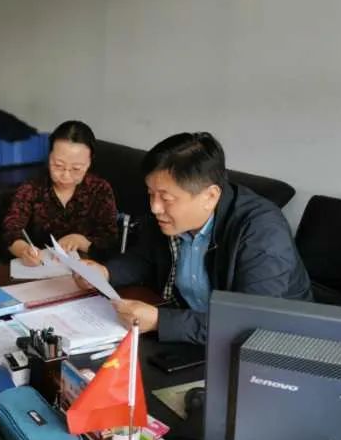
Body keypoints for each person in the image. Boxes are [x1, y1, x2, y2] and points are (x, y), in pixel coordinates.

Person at [78, 132, 312, 345]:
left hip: (269, 348)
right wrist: (105, 273)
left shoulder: (262, 231)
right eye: (151, 194)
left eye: (166, 198)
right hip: (192, 334)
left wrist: (161, 321)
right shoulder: (170, 219)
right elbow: (144, 258)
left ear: (210, 196)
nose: (155, 207)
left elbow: (251, 323)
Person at [2, 120, 118, 265]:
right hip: (40, 268)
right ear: (49, 156)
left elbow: (110, 240)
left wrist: (81, 241)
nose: (66, 176)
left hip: (86, 270)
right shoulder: (31, 188)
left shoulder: (100, 190)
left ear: (89, 162)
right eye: (58, 165)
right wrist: (24, 250)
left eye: (76, 168)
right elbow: (10, 231)